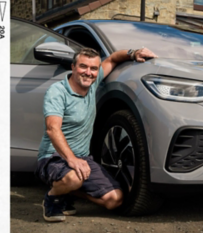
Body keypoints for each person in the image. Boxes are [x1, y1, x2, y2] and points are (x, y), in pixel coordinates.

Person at [37, 46, 156, 222]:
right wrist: (72, 160)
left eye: (93, 68)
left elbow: (113, 59)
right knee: (75, 176)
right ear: (73, 67)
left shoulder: (92, 83)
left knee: (114, 199)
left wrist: (133, 53)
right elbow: (52, 129)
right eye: (83, 67)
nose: (88, 73)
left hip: (83, 158)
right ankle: (53, 198)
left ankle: (69, 192)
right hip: (53, 157)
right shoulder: (57, 92)